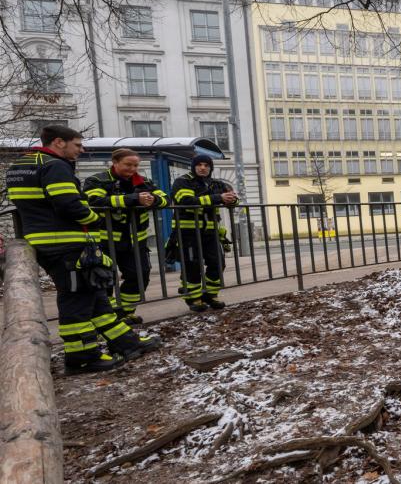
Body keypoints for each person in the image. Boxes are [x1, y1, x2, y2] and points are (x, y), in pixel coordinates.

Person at [6, 125, 160, 374]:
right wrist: (94, 219)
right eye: (77, 145)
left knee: (94, 293)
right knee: (76, 298)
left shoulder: (20, 165)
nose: (82, 149)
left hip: (45, 239)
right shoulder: (55, 165)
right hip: (65, 242)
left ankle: (126, 343)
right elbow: (69, 203)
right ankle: (82, 356)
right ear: (58, 142)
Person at [83, 149, 170, 325]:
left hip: (136, 241)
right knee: (105, 278)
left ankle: (125, 312)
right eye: (128, 165)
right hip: (105, 241)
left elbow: (166, 199)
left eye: (136, 165)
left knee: (140, 275)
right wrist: (132, 199)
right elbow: (94, 202)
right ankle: (108, 316)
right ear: (115, 162)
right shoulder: (97, 180)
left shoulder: (143, 182)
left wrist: (153, 200)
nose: (132, 169)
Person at [171, 154, 238, 312]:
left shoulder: (216, 183)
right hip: (188, 232)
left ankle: (210, 295)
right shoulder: (183, 181)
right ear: (193, 166)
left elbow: (234, 199)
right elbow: (186, 201)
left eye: (206, 165)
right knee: (192, 266)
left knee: (218, 263)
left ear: (210, 167)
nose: (203, 168)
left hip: (210, 231)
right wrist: (217, 198)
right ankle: (193, 298)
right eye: (199, 165)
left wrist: (231, 200)